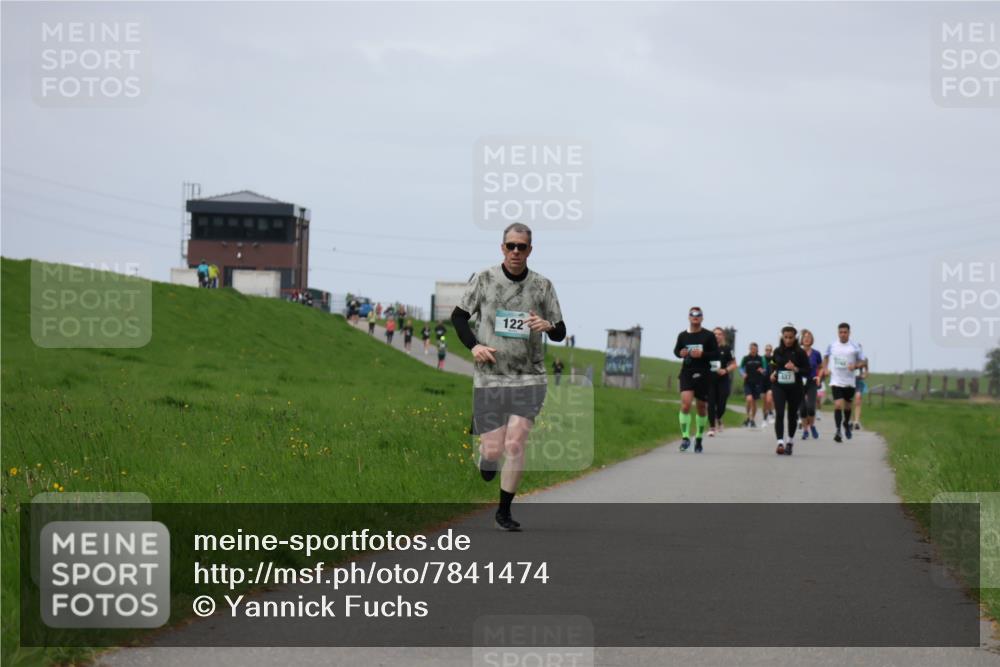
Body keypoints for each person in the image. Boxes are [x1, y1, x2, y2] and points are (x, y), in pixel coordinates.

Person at [451, 222, 566, 531]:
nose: (516, 251)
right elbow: (459, 317)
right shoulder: (484, 279)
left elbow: (560, 330)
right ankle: (487, 458)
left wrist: (549, 327)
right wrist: (473, 346)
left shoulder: (543, 286)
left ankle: (504, 512)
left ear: (530, 250)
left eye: (522, 247)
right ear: (502, 248)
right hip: (490, 377)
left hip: (529, 377)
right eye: (511, 246)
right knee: (492, 450)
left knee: (515, 443)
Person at [673, 307, 719, 453]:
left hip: (703, 374)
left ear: (702, 318)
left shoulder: (708, 335)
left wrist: (703, 354)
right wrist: (680, 353)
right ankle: (685, 438)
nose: (695, 317)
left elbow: (716, 354)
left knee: (701, 407)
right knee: (686, 404)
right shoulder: (682, 336)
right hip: (687, 372)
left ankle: (699, 438)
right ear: (688, 317)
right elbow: (676, 351)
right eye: (692, 314)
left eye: (698, 315)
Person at [819, 322, 866, 442]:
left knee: (848, 406)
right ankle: (838, 430)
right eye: (841, 332)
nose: (843, 334)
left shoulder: (855, 346)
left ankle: (846, 423)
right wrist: (825, 369)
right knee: (838, 405)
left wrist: (855, 366)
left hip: (850, 381)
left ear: (849, 333)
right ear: (838, 333)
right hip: (836, 380)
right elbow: (825, 357)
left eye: (845, 332)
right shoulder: (832, 345)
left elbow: (862, 362)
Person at [770, 325, 810, 455]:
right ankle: (780, 442)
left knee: (792, 415)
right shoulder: (777, 351)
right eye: (785, 337)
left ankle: (790, 441)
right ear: (782, 337)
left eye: (790, 338)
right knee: (780, 413)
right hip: (779, 386)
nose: (788, 340)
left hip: (795, 387)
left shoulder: (800, 352)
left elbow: (807, 371)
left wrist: (795, 368)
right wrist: (772, 374)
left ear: (795, 337)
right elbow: (773, 364)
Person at [707, 327, 737, 436]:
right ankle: (712, 427)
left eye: (719, 334)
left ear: (722, 336)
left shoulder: (728, 348)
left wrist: (725, 370)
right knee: (710, 403)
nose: (717, 336)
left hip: (723, 379)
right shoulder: (707, 348)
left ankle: (718, 417)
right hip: (710, 379)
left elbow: (734, 364)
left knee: (722, 403)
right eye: (715, 334)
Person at [798, 329, 822, 440]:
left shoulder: (816, 354)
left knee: (811, 408)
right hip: (799, 383)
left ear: (812, 340)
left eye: (809, 337)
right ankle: (805, 430)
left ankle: (812, 426)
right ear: (801, 340)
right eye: (805, 337)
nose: (807, 338)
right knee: (802, 409)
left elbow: (821, 367)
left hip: (812, 382)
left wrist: (819, 376)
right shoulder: (797, 352)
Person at [740, 342, 765, 427]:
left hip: (757, 383)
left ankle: (752, 419)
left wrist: (762, 371)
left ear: (757, 350)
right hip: (748, 382)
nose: (753, 350)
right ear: (749, 349)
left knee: (754, 402)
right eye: (751, 349)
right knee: (749, 399)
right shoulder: (746, 358)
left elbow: (765, 369)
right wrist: (743, 373)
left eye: (754, 349)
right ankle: (747, 417)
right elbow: (741, 368)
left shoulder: (761, 359)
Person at [761, 343, 776, 426]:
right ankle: (764, 418)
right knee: (764, 402)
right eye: (767, 350)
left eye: (770, 350)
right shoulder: (761, 359)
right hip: (762, 382)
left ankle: (770, 413)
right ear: (765, 350)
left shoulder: (773, 359)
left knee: (769, 399)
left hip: (771, 382)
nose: (768, 351)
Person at [853, 364, 869, 430]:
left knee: (858, 399)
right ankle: (849, 420)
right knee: (848, 401)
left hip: (858, 381)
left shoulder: (863, 358)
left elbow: (866, 370)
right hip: (848, 380)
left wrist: (864, 375)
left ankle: (856, 421)